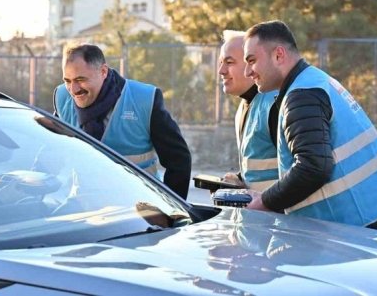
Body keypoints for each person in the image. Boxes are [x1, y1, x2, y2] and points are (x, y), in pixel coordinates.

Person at [241, 20, 377, 231]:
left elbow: (312, 167)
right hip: (363, 215)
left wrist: (265, 201)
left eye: (252, 61)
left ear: (279, 55)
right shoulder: (313, 82)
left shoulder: (302, 95)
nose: (248, 72)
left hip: (350, 224)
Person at [53, 43, 192, 199]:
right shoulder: (62, 97)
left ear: (103, 71)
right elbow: (51, 150)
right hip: (84, 202)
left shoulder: (144, 99)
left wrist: (171, 209)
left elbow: (178, 160)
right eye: (68, 80)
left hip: (140, 206)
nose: (73, 89)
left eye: (80, 79)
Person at [218, 30, 278, 192]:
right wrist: (240, 180)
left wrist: (265, 201)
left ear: (251, 63)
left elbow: (302, 171)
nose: (221, 70)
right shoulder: (245, 105)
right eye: (221, 62)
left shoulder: (275, 104)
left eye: (229, 62)